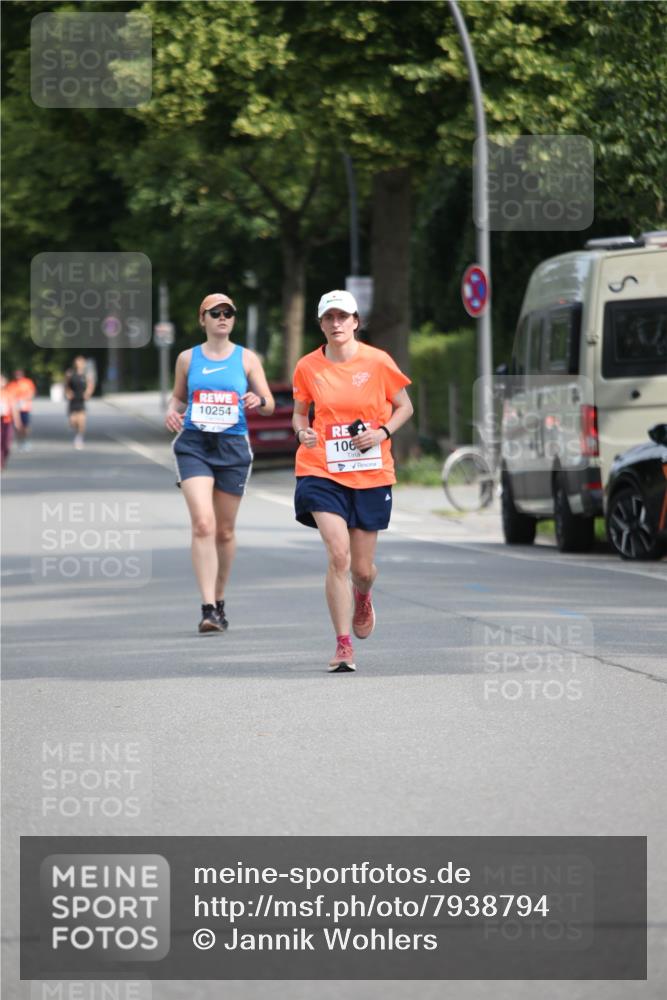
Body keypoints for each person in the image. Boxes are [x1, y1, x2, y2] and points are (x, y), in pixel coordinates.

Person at [292, 289, 414, 673]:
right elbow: (299, 414)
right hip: (321, 468)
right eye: (329, 318)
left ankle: (363, 594)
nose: (336, 324)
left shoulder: (378, 362)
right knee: (338, 555)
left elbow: (405, 406)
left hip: (371, 471)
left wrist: (382, 433)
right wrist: (302, 433)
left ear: (356, 321)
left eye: (343, 317)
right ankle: (343, 646)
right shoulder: (308, 367)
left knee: (361, 569)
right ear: (321, 324)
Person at [165, 292, 275, 634]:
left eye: (229, 312)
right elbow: (178, 397)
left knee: (225, 531)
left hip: (232, 447)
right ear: (203, 319)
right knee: (203, 524)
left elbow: (270, 403)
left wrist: (259, 399)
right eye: (215, 312)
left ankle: (221, 599)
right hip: (194, 444)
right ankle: (208, 607)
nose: (222, 317)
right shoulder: (187, 358)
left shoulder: (247, 359)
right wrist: (171, 410)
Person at [64, 356, 95, 449]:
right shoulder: (70, 373)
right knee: (73, 422)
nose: (79, 364)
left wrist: (88, 393)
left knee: (81, 422)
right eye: (77, 362)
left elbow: (90, 385)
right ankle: (76, 432)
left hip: (81, 400)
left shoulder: (86, 375)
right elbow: (66, 385)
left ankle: (79, 438)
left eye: (80, 363)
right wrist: (68, 393)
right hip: (73, 400)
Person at [9, 368, 36, 451]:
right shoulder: (12, 384)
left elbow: (32, 393)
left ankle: (26, 440)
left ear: (22, 374)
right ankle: (20, 442)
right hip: (15, 409)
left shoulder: (28, 382)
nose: (18, 376)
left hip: (25, 408)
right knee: (17, 426)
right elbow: (9, 396)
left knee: (25, 426)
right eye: (16, 374)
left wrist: (24, 399)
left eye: (19, 374)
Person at [1, 373, 20, 469]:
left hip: (7, 421)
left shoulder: (9, 393)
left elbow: (14, 408)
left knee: (6, 443)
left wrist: (17, 422)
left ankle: (3, 458)